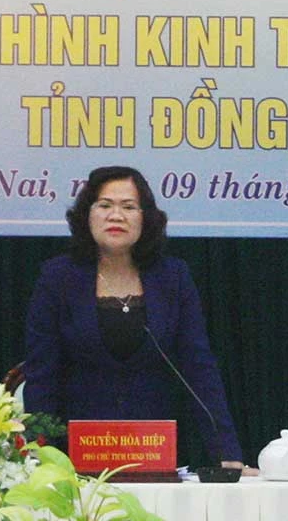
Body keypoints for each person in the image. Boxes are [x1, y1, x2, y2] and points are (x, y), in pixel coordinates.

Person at [24, 166, 253, 473]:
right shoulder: (58, 278)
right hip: (75, 455)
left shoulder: (173, 277)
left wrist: (226, 452)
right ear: (87, 215)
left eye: (129, 207)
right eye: (105, 205)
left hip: (154, 450)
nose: (116, 216)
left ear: (145, 218)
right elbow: (42, 375)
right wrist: (41, 457)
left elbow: (199, 369)